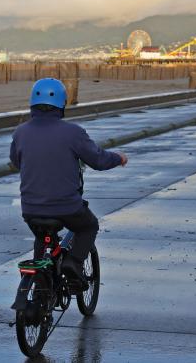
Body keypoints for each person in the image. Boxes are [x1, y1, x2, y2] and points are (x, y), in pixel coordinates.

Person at [10, 78, 127, 283]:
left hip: (30, 209)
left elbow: (16, 161)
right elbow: (98, 160)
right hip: (67, 207)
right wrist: (118, 158)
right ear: (62, 104)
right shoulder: (73, 133)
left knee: (42, 237)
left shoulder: (21, 132)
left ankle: (41, 282)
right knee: (88, 226)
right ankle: (74, 262)